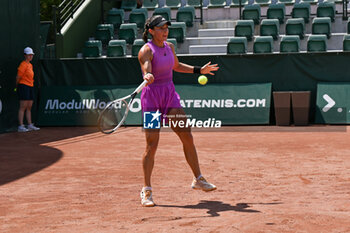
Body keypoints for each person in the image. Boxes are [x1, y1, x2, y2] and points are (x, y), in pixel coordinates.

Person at [138, 15, 219, 207]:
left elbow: (176, 66)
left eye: (166, 27)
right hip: (152, 100)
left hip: (169, 95)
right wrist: (148, 74)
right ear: (151, 31)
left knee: (187, 136)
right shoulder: (146, 50)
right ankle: (147, 190)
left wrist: (199, 70)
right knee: (152, 144)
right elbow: (146, 66)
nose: (165, 31)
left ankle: (198, 179)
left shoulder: (170, 47)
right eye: (160, 28)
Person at [16, 47, 40, 132]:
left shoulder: (30, 65)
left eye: (31, 55)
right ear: (25, 55)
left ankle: (30, 125)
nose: (30, 56)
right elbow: (18, 77)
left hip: (30, 86)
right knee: (23, 107)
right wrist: (17, 86)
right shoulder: (23, 65)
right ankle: (21, 126)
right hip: (23, 86)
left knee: (29, 107)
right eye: (29, 55)